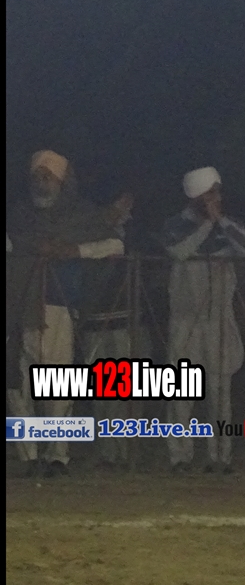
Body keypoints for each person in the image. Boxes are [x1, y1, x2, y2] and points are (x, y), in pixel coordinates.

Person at [6, 150, 124, 477]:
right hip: (17, 305)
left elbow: (115, 245)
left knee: (57, 383)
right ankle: (29, 455)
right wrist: (31, 248)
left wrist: (74, 250)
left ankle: (58, 455)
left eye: (47, 177)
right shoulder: (20, 215)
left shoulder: (80, 216)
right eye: (36, 177)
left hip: (58, 305)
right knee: (16, 384)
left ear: (61, 182)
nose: (41, 183)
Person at [160, 167, 245, 473]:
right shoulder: (176, 225)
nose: (216, 198)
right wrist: (208, 224)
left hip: (218, 318)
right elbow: (180, 251)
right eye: (210, 193)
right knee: (182, 391)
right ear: (196, 196)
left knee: (220, 390)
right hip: (185, 319)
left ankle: (220, 455)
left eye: (217, 192)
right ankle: (180, 456)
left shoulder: (228, 225)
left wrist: (222, 222)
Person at [80, 190, 137, 468]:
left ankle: (124, 449)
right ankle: (106, 450)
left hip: (124, 318)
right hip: (95, 317)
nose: (125, 208)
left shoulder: (132, 234)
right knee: (101, 389)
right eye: (121, 203)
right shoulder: (90, 231)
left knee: (123, 388)